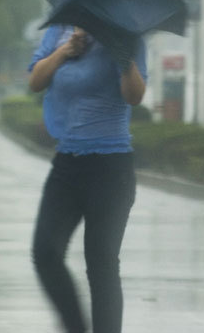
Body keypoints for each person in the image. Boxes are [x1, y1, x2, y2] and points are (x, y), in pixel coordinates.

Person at [28, 25, 146, 333]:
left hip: (111, 166)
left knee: (101, 262)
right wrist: (65, 50)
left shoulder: (126, 32)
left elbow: (134, 96)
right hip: (67, 162)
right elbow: (36, 81)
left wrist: (124, 58)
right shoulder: (58, 30)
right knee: (45, 252)